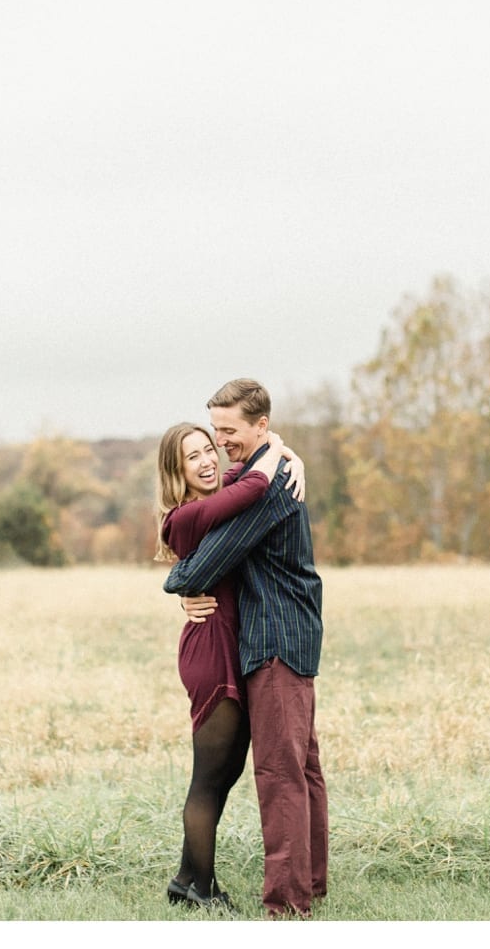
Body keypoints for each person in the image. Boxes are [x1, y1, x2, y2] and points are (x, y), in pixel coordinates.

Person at [163, 378, 328, 919]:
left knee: (281, 774)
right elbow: (232, 484)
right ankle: (310, 884)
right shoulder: (270, 469)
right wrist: (281, 448)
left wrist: (179, 584)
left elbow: (206, 564)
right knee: (301, 769)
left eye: (227, 431)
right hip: (282, 635)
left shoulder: (272, 486)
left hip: (275, 640)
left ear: (259, 425)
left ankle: (287, 903)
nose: (219, 441)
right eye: (213, 431)